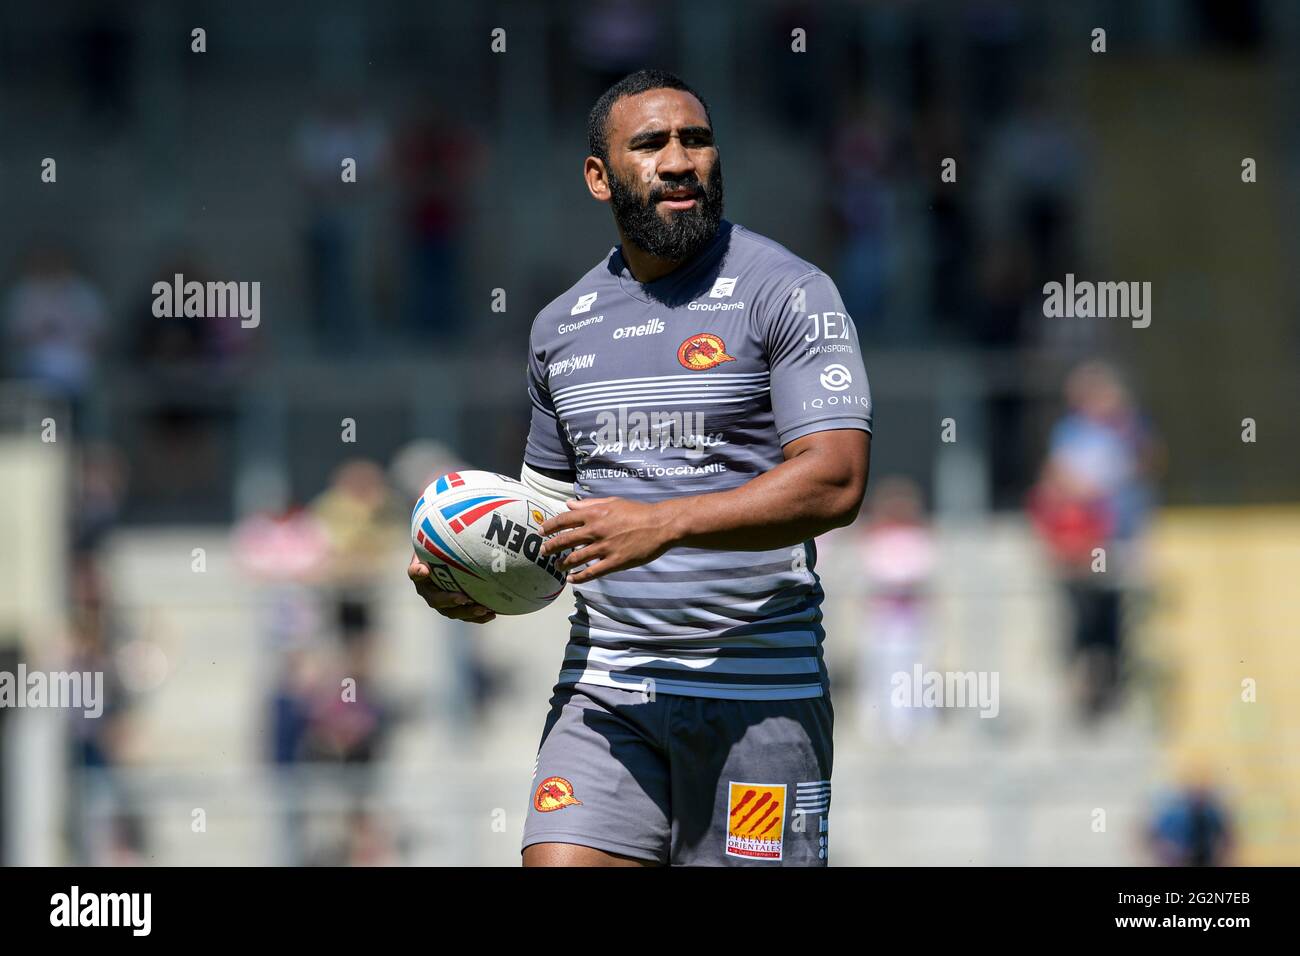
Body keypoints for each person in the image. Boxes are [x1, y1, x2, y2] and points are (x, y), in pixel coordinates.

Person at [408, 70, 872, 866]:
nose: (680, 159)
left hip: (758, 695)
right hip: (607, 692)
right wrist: (483, 580)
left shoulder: (790, 291)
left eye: (695, 138)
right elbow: (551, 527)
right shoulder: (561, 326)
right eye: (651, 143)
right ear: (600, 177)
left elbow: (837, 479)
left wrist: (667, 523)